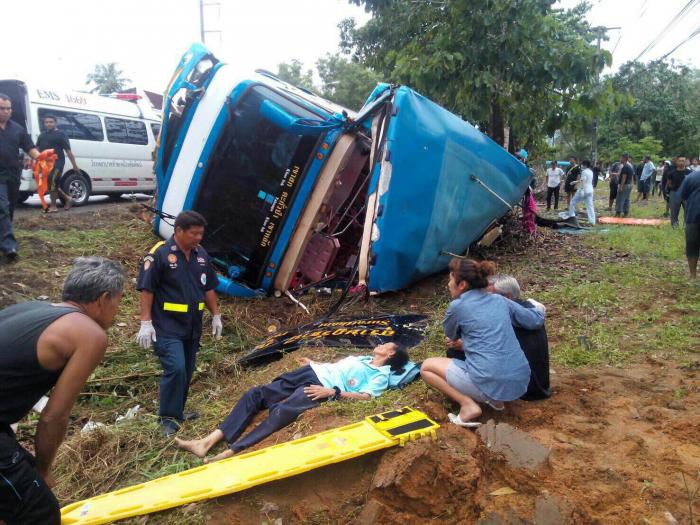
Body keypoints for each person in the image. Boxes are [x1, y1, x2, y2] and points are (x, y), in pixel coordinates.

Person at [0, 257, 125, 524]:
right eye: (118, 301)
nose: (117, 310)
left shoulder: (33, 308)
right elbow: (53, 416)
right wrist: (43, 471)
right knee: (39, 511)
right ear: (104, 299)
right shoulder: (90, 334)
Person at [175, 342, 409, 462]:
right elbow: (339, 367)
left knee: (281, 412)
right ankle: (206, 442)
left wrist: (332, 392)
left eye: (388, 345)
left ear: (390, 354)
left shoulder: (381, 375)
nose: (382, 343)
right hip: (311, 372)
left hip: (321, 388)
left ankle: (232, 451)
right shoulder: (365, 358)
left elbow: (367, 397)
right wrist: (315, 362)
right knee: (255, 394)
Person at [420, 258, 545, 427]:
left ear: (462, 284)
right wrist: (537, 307)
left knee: (426, 367)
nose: (448, 284)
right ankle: (496, 401)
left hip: (490, 379)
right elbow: (533, 320)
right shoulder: (500, 300)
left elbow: (451, 334)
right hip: (521, 381)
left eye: (450, 279)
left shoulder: (458, 306)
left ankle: (467, 405)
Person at [136, 210, 223, 436]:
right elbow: (147, 289)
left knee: (186, 369)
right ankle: (166, 417)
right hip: (167, 326)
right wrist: (145, 322)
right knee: (175, 368)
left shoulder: (200, 254)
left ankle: (178, 413)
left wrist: (216, 315)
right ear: (178, 231)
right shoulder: (159, 254)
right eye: (193, 234)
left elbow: (209, 287)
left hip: (192, 326)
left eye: (201, 234)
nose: (198, 238)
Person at [487, 275, 551, 400]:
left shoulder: (504, 314)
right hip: (539, 386)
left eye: (490, 297)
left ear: (508, 297)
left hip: (519, 391)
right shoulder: (531, 308)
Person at [0, 93, 39, 263]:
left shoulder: (17, 129)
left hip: (13, 175)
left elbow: (30, 147)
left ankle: (3, 239)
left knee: (8, 210)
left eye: (8, 108)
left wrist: (42, 157)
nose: (6, 111)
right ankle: (9, 246)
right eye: (2, 108)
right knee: (2, 207)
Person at [36, 115, 80, 212]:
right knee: (51, 183)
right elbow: (37, 149)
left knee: (52, 180)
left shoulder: (61, 135)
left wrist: (75, 165)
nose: (48, 124)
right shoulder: (42, 135)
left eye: (51, 122)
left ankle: (53, 207)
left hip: (57, 162)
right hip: (45, 163)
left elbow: (68, 151)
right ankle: (68, 198)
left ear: (55, 123)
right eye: (46, 122)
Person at [671, 168, 700, 279]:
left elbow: (682, 195)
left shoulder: (691, 177)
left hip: (693, 216)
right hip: (693, 215)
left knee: (692, 247)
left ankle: (693, 276)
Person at [565, 159, 596, 225]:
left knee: (573, 202)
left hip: (584, 190)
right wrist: (575, 182)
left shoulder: (584, 171)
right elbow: (584, 180)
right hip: (590, 190)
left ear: (585, 165)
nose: (581, 165)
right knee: (590, 206)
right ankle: (592, 221)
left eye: (582, 164)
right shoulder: (590, 171)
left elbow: (583, 181)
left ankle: (571, 217)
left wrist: (582, 190)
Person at [666, 157, 691, 221]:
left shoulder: (690, 173)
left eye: (683, 161)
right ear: (677, 162)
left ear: (686, 162)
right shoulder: (671, 173)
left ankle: (686, 228)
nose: (681, 162)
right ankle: (675, 228)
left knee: (688, 212)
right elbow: (669, 183)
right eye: (679, 161)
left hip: (687, 194)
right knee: (674, 213)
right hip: (674, 193)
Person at [615, 153, 635, 217]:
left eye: (621, 158)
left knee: (620, 199)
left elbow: (624, 177)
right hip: (629, 185)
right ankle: (626, 212)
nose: (620, 159)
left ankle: (618, 213)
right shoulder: (630, 166)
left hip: (625, 185)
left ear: (624, 158)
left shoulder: (625, 167)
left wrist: (621, 187)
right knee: (626, 199)